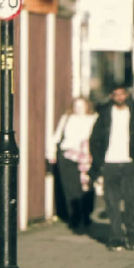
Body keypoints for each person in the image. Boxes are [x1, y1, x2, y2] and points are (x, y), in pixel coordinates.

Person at [88, 83, 134, 251]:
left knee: (130, 201)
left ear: (127, 95)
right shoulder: (105, 114)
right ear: (111, 96)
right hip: (109, 164)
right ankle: (116, 237)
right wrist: (99, 161)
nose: (119, 97)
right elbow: (94, 140)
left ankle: (130, 231)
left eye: (122, 94)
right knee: (112, 202)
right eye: (116, 94)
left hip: (130, 164)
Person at [49, 96, 97, 233]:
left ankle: (86, 214)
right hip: (67, 155)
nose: (79, 109)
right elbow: (56, 137)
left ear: (87, 106)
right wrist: (51, 154)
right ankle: (74, 216)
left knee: (86, 186)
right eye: (76, 106)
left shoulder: (93, 119)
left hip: (86, 157)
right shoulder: (67, 118)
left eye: (82, 106)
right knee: (70, 187)